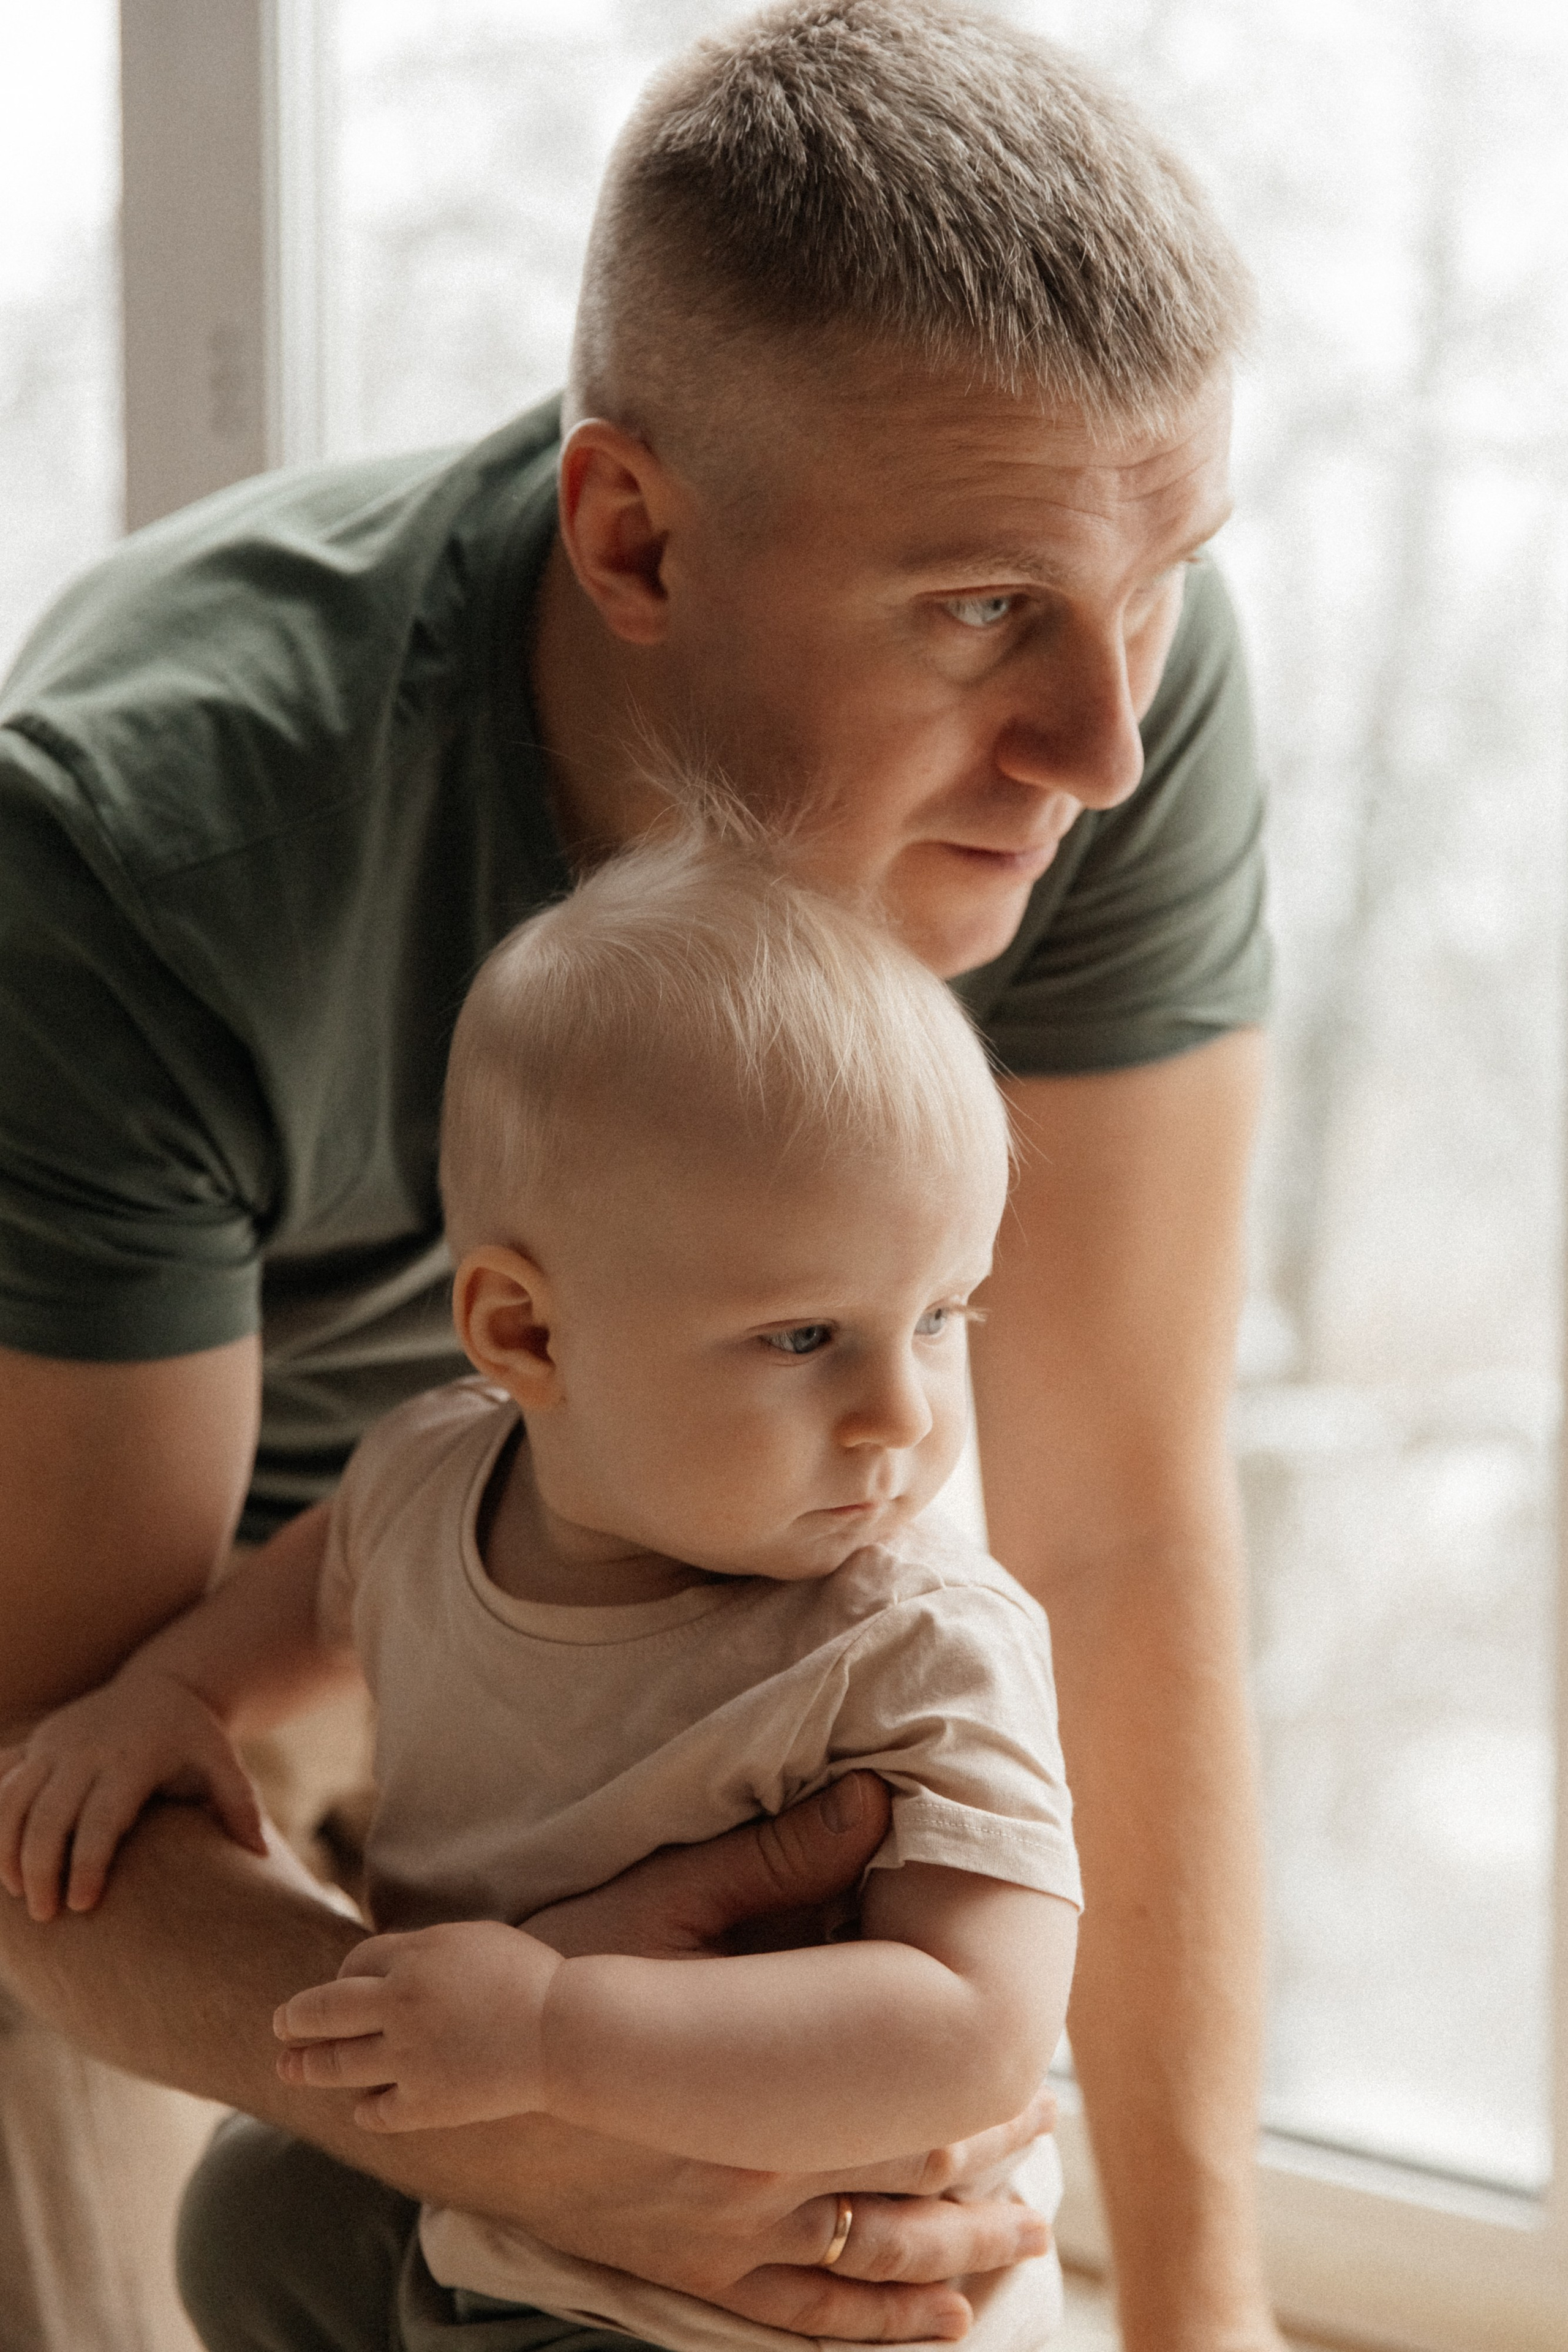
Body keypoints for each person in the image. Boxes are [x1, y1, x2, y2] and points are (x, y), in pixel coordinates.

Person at [0, 6, 1276, 2350]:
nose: (1103, 743)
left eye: (1166, 572)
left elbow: (1110, 1529)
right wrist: (570, 2130)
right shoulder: (135, 861)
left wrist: (1205, 2323)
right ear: (633, 535)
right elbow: (61, 1816)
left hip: (679, 1548)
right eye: (982, 606)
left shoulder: (1107, 678)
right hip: (200, 1589)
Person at [1, 832, 1084, 2352]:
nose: (897, 1414)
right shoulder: (431, 1483)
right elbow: (327, 1586)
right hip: (491, 2150)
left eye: (940, 1314)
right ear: (525, 1337)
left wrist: (561, 2032)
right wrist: (172, 1695)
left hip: (772, 2283)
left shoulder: (914, 1643)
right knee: (247, 2218)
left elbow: (975, 2028)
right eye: (802, 1337)